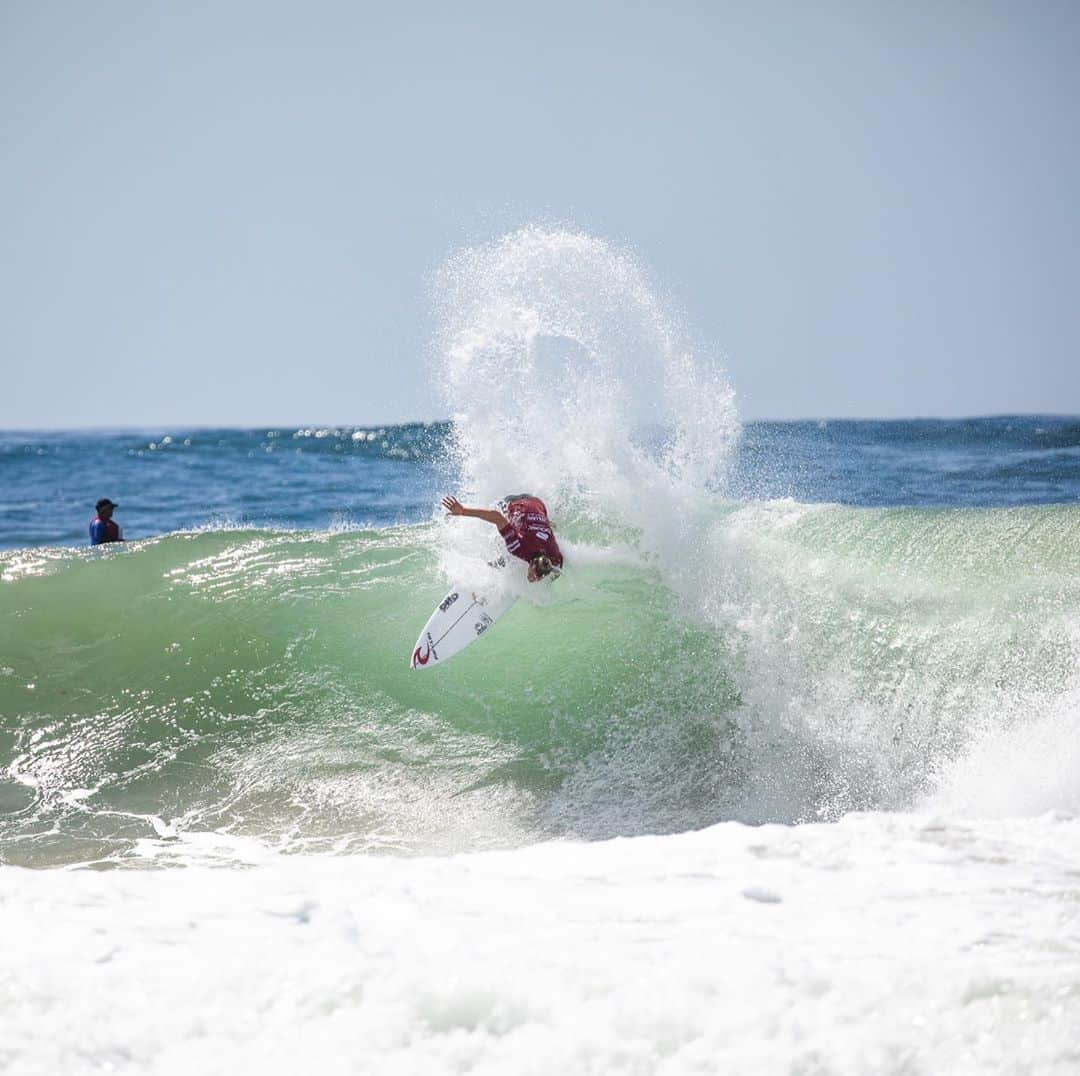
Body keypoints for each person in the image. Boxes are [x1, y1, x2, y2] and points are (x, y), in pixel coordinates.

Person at [442, 493, 563, 581]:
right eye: (534, 576)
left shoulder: (555, 558)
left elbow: (557, 571)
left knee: (534, 529)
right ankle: (491, 567)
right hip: (514, 502)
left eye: (538, 578)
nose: (533, 580)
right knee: (502, 547)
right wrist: (463, 511)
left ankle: (547, 523)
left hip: (538, 504)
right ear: (532, 565)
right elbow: (497, 517)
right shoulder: (519, 547)